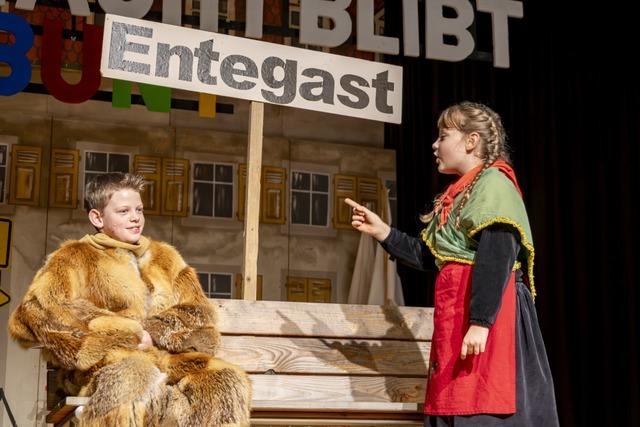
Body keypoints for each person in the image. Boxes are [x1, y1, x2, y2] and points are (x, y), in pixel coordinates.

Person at [345, 101, 559, 426]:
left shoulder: (493, 184)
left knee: (485, 407)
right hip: (458, 317)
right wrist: (384, 232)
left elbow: (498, 252)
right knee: (453, 405)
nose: (435, 144)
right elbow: (430, 256)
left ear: (471, 141)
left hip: (490, 316)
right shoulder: (459, 193)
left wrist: (480, 322)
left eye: (444, 135)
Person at [8, 172, 251, 426]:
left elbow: (198, 312)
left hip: (165, 362)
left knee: (223, 380)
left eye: (139, 210)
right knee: (133, 376)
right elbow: (36, 312)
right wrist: (124, 336)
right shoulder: (73, 257)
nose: (135, 217)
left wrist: (155, 333)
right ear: (97, 217)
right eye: (124, 211)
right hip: (103, 369)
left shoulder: (164, 257)